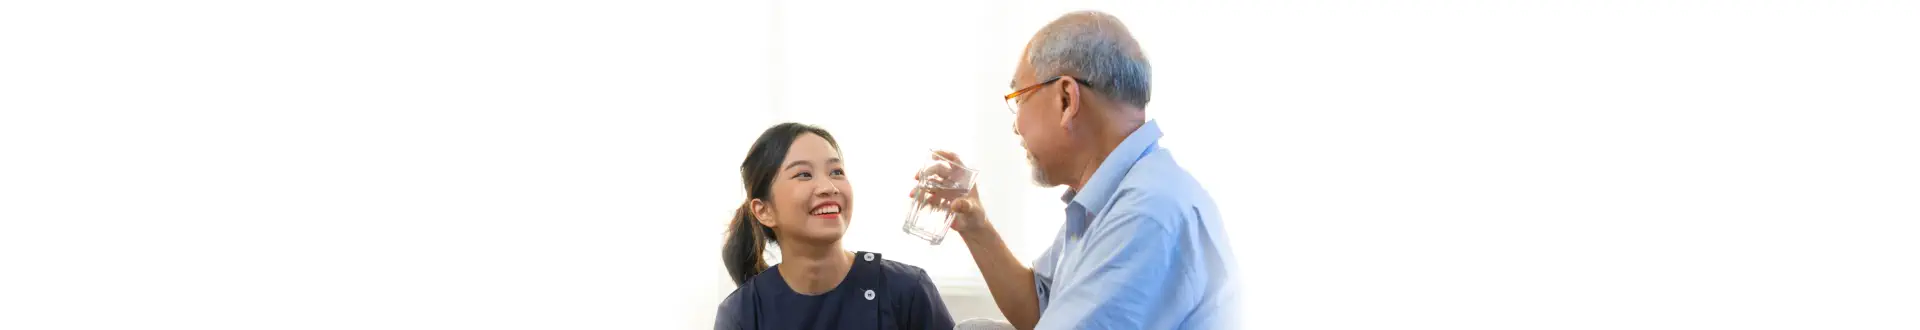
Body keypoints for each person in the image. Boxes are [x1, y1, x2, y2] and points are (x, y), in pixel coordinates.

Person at [914, 11, 1239, 329]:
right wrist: (976, 228)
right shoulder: (1117, 195)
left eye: (1019, 99)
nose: (1016, 126)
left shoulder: (1146, 213)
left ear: (1067, 98)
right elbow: (1042, 309)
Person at [717, 123, 956, 330]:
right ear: (764, 211)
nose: (829, 187)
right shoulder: (742, 313)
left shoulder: (909, 291)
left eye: (836, 171)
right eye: (803, 174)